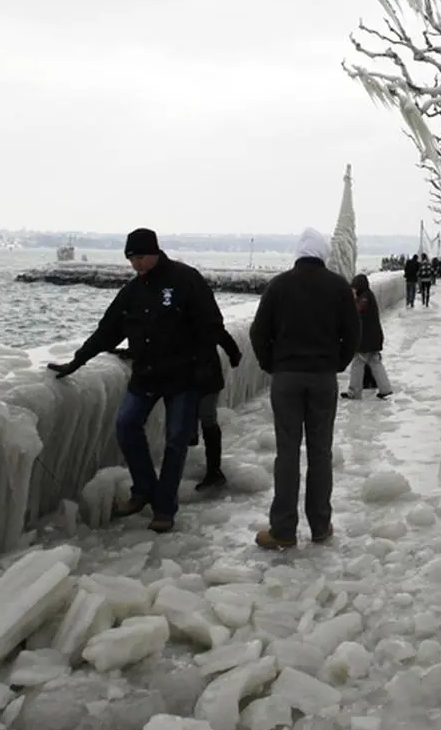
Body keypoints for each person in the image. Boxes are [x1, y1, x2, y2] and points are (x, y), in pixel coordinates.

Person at [47, 227, 224, 533]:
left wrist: (203, 367)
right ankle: (143, 488)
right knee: (126, 425)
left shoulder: (186, 280)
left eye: (140, 257)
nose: (136, 264)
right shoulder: (133, 291)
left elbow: (212, 325)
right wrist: (76, 361)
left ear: (154, 252)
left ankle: (164, 508)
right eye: (131, 259)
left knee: (175, 441)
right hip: (146, 374)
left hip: (184, 376)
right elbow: (107, 331)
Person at [249, 227, 359, 550]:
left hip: (286, 378)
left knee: (287, 452)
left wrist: (273, 364)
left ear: (298, 253)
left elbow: (258, 332)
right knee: (320, 452)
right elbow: (353, 334)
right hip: (323, 378)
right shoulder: (339, 287)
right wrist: (336, 363)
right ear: (323, 254)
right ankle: (321, 525)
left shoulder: (278, 285)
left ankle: (283, 529)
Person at [191, 316, 244, 492]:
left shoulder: (197, 311)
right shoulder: (201, 310)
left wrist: (234, 353)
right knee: (205, 418)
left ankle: (213, 470)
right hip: (201, 374)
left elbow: (219, 333)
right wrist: (234, 354)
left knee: (204, 418)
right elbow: (220, 333)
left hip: (203, 376)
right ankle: (210, 469)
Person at [343, 273, 393, 400]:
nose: (353, 290)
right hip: (374, 338)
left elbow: (359, 310)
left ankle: (354, 391)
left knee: (358, 363)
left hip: (365, 339)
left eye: (354, 287)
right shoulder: (368, 295)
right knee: (375, 363)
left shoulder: (365, 297)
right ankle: (385, 388)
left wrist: (352, 301)